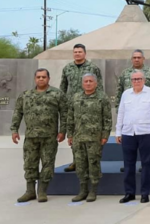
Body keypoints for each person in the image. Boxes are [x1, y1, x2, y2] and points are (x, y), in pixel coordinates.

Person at [11, 69, 68, 203]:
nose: (41, 79)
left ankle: (42, 191)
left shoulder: (57, 94)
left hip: (49, 137)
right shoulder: (25, 95)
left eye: (43, 77)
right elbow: (18, 113)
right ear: (35, 79)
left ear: (48, 78)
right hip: (31, 136)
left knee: (47, 163)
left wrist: (62, 131)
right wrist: (14, 130)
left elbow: (64, 114)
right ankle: (30, 191)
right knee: (30, 163)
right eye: (38, 77)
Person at [115, 70, 150, 204]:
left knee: (146, 164)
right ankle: (129, 193)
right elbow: (121, 113)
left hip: (146, 132)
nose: (136, 81)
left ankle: (144, 193)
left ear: (144, 80)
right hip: (128, 133)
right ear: (131, 81)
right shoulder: (126, 94)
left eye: (139, 79)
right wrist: (118, 132)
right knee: (128, 164)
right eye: (134, 79)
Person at [67, 73, 111, 203]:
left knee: (93, 164)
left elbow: (107, 119)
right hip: (78, 137)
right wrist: (70, 134)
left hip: (95, 138)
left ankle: (93, 190)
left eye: (90, 81)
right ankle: (83, 190)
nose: (88, 83)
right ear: (82, 83)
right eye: (85, 81)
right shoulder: (75, 97)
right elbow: (70, 117)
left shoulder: (102, 98)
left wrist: (105, 135)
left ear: (96, 83)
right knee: (80, 164)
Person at [59, 43, 103, 173]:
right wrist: (63, 102)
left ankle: (91, 162)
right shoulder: (67, 68)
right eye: (75, 52)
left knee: (90, 134)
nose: (77, 54)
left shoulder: (93, 68)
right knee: (74, 134)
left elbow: (99, 86)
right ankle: (76, 161)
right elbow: (63, 87)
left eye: (80, 52)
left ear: (85, 53)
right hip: (73, 105)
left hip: (90, 104)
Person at [116, 49, 150, 173]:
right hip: (128, 109)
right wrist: (118, 109)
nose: (136, 59)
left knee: (145, 147)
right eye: (134, 57)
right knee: (128, 146)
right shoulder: (125, 73)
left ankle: (143, 165)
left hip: (145, 112)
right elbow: (119, 90)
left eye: (139, 57)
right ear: (131, 59)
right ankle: (128, 165)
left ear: (143, 59)